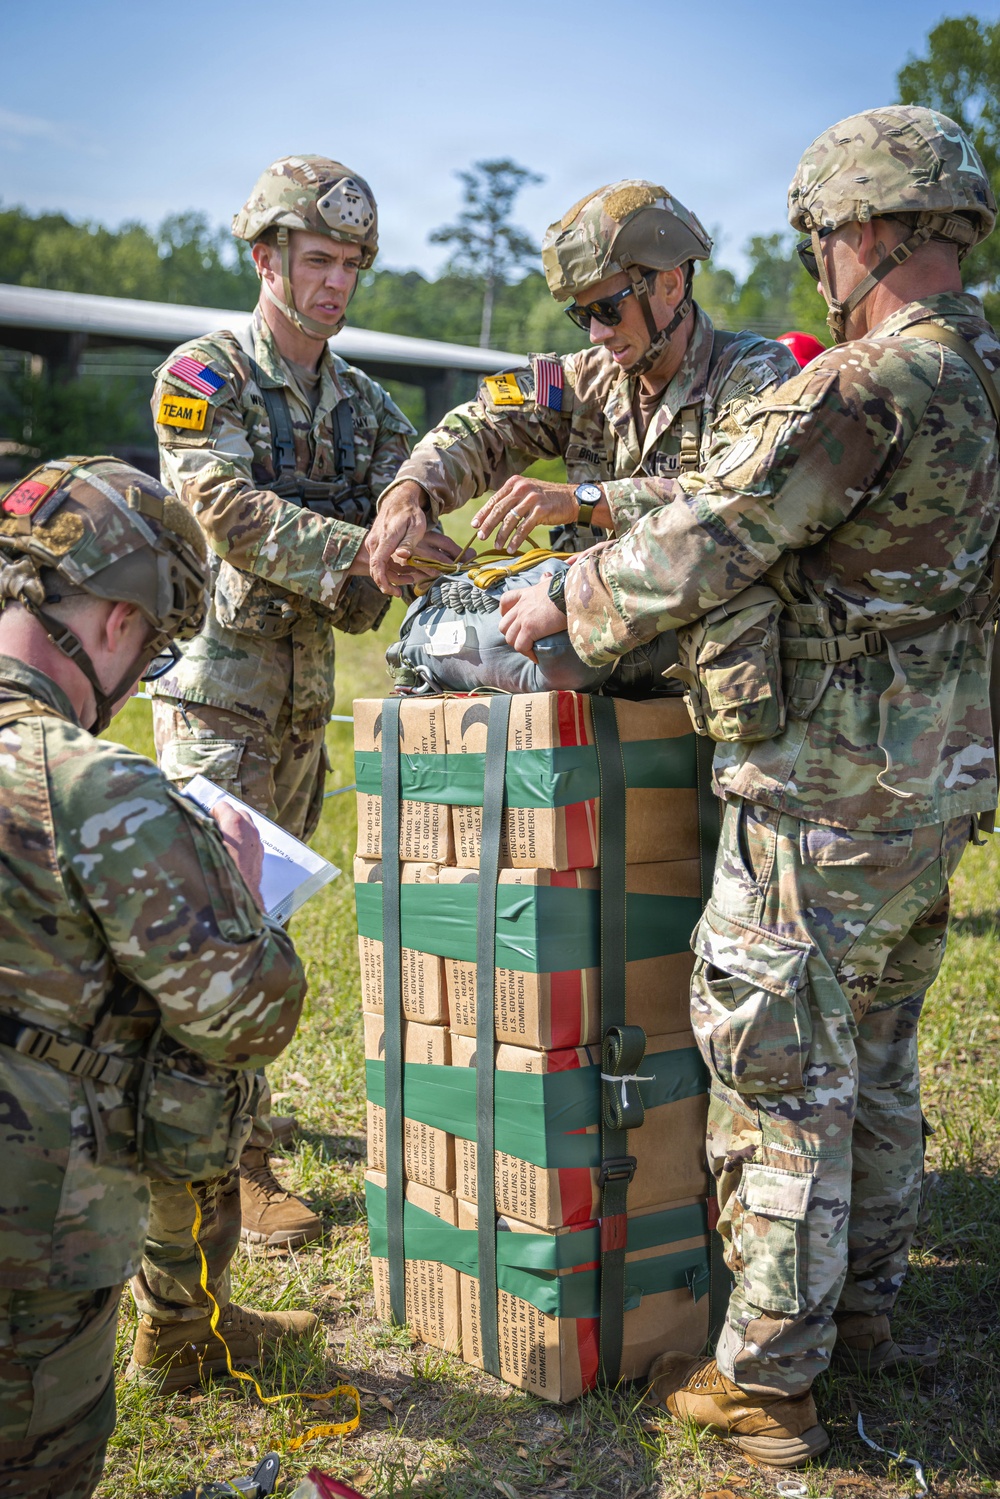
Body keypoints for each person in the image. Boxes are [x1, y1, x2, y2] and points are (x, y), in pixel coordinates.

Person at [494, 107, 999, 1467]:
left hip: (820, 791)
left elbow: (719, 529)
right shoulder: (987, 377)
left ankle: (769, 1378)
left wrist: (566, 602)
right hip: (939, 781)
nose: (820, 259)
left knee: (777, 1072)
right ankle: (869, 1309)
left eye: (827, 233)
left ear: (879, 228)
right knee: (877, 1057)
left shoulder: (861, 386)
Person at [147, 155, 443, 1254]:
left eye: (351, 263)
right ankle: (235, 1168)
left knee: (259, 930)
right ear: (266, 257)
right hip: (215, 702)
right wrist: (370, 546)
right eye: (317, 259)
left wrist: (415, 542)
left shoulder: (362, 403)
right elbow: (222, 506)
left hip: (302, 707)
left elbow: (399, 517)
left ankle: (226, 1136)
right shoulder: (203, 375)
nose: (336, 283)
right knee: (211, 939)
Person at [0, 457, 313, 1498]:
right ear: (121, 626)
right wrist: (236, 879)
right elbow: (248, 1011)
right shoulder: (92, 785)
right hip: (31, 1261)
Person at [366, 179, 798, 591]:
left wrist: (582, 500)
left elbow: (738, 499)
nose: (595, 333)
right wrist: (411, 491)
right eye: (582, 315)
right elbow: (484, 426)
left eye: (608, 310)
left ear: (670, 285)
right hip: (591, 639)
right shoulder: (584, 378)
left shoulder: (754, 374)